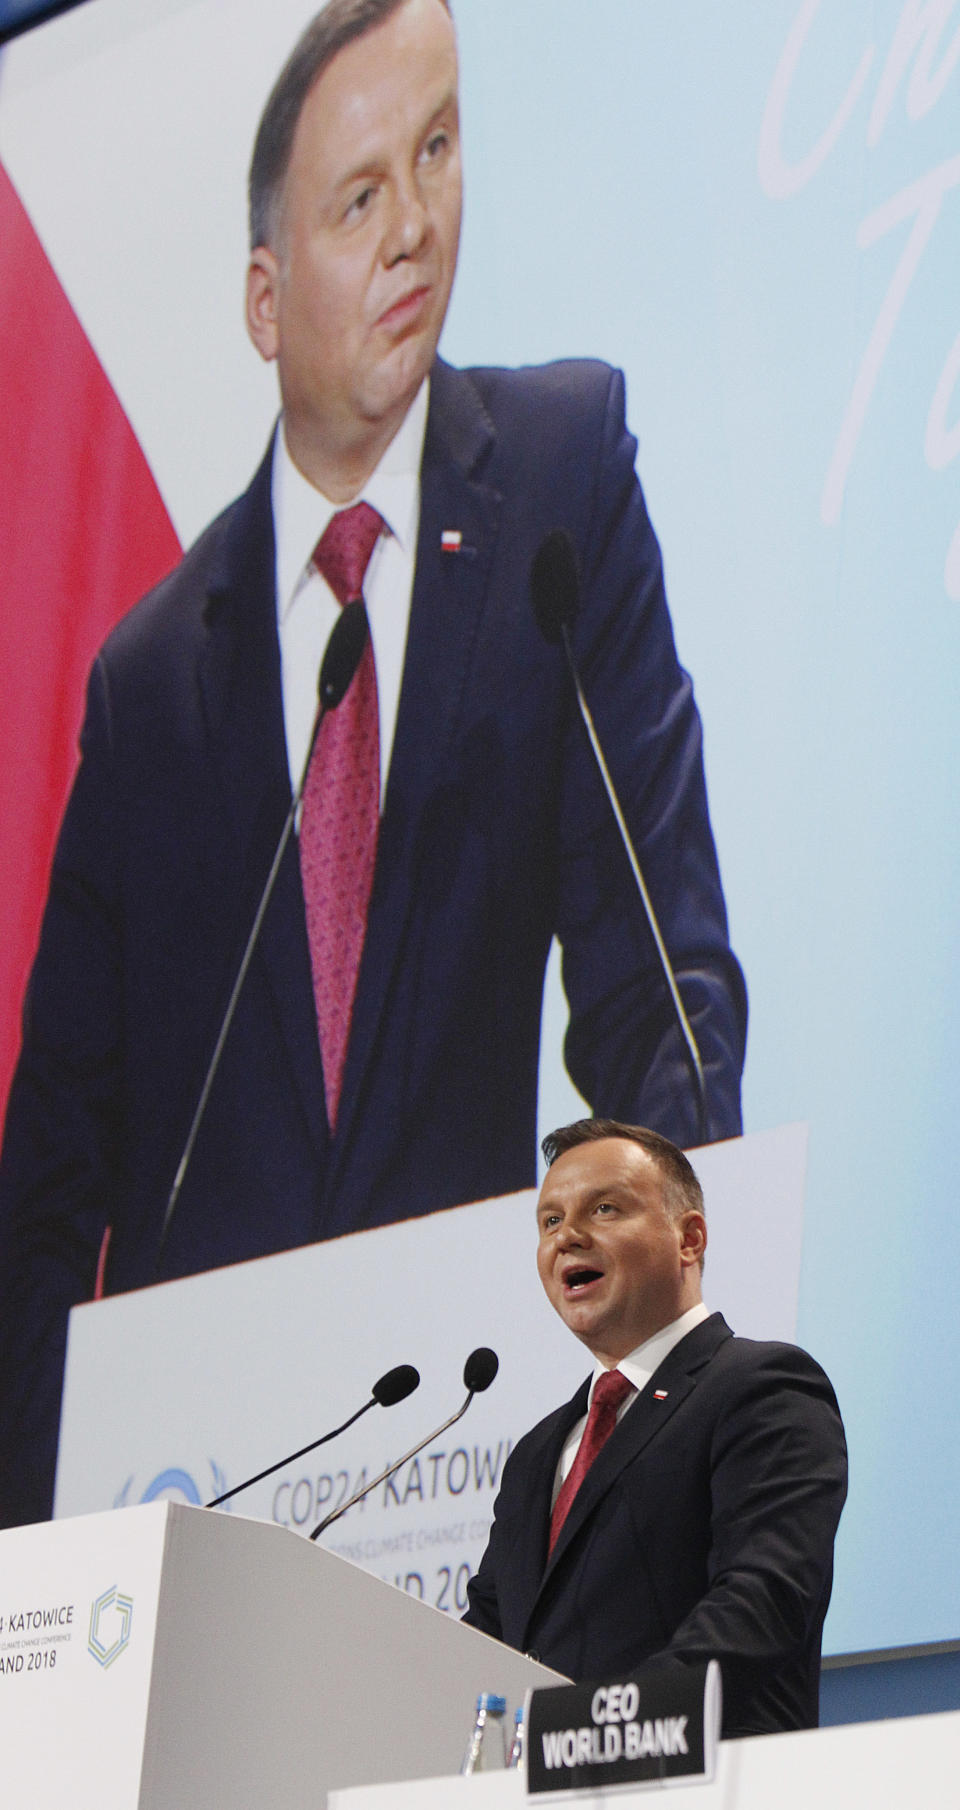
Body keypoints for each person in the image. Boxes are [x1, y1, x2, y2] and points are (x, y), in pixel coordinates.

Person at [0, 0, 746, 1527]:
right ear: (265, 301)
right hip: (196, 1498)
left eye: (439, 152)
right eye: (359, 198)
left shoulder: (556, 483)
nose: (416, 225)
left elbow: (659, 990)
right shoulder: (150, 683)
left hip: (461, 1450)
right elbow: (51, 1182)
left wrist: (677, 1391)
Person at [463, 1120, 847, 1738]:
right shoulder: (538, 1453)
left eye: (605, 1208)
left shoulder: (760, 1387)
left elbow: (764, 1599)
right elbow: (488, 1632)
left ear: (688, 1238)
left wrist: (596, 1730)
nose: (568, 1238)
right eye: (551, 1221)